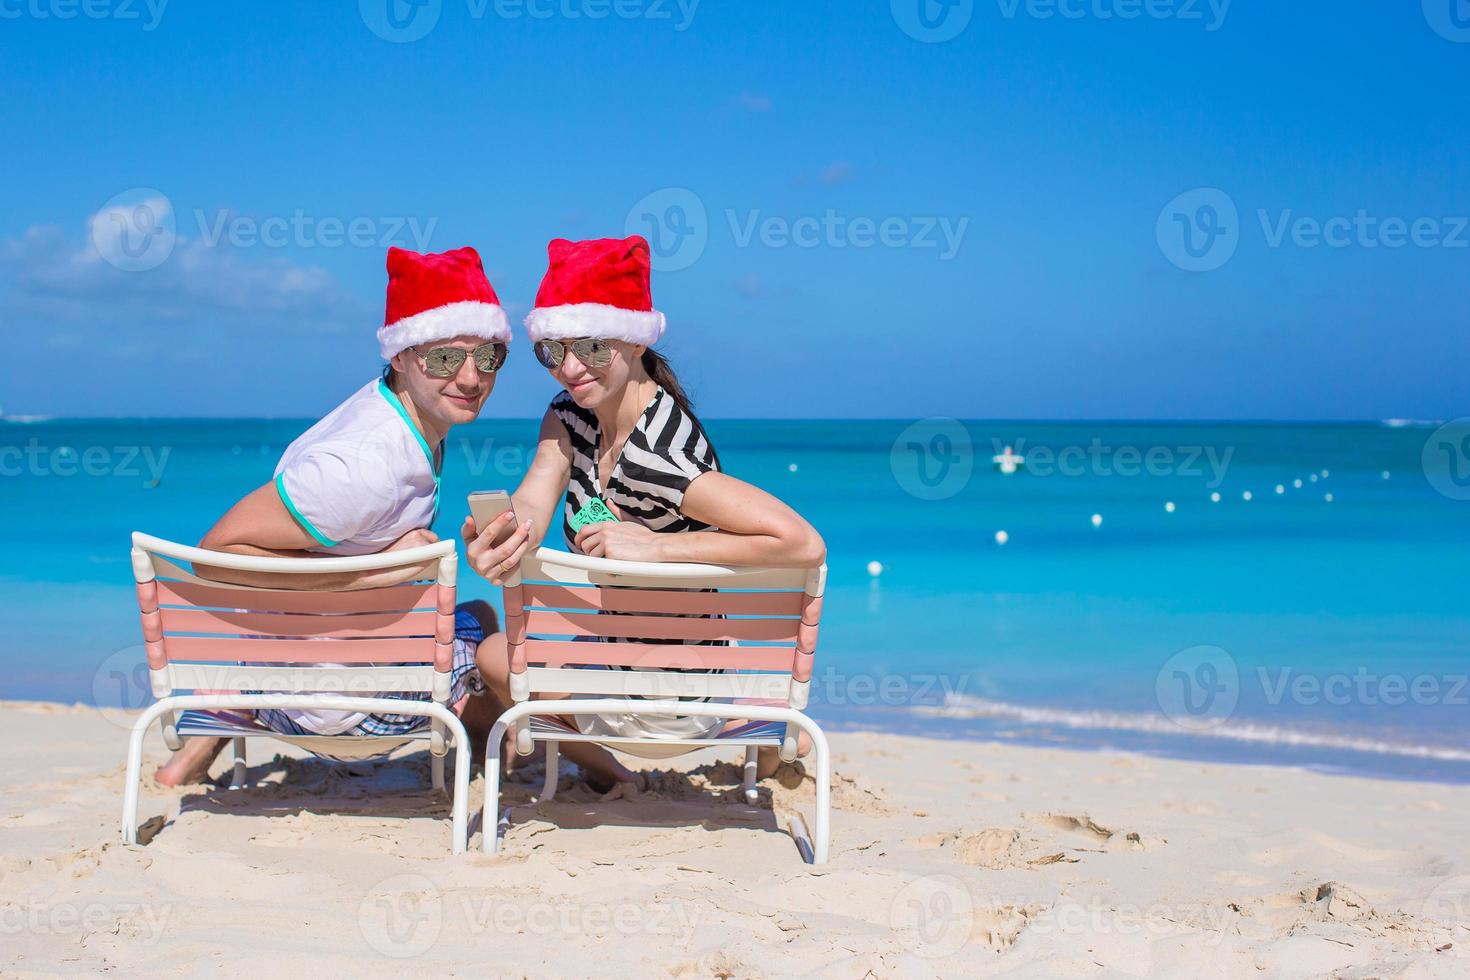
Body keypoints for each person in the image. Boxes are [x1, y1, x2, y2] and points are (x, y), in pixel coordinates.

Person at [463, 235, 825, 785]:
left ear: (633, 342)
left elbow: (802, 541)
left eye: (590, 348)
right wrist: (506, 535)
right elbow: (536, 492)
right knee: (512, 649)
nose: (569, 367)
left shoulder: (661, 455)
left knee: (493, 653)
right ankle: (753, 729)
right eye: (553, 351)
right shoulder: (570, 417)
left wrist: (656, 546)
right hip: (671, 682)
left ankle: (620, 770)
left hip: (671, 706)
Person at [154, 246, 513, 786]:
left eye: (487, 358)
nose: (470, 378)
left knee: (436, 600)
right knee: (481, 622)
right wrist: (378, 573)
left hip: (285, 672)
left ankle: (214, 722)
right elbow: (214, 559)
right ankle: (493, 766)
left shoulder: (398, 415)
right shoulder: (362, 467)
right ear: (401, 355)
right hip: (339, 716)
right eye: (444, 359)